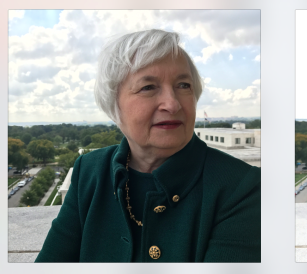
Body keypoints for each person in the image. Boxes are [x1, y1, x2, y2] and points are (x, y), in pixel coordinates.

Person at [35, 29, 261, 262]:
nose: (172, 104)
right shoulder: (89, 171)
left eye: (184, 85)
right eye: (148, 87)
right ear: (114, 106)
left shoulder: (242, 187)